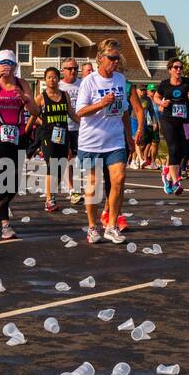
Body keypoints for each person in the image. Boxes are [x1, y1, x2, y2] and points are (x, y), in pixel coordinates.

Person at [0, 50, 39, 240]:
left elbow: (35, 111)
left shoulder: (22, 83)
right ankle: (5, 224)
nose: (6, 67)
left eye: (9, 63)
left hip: (17, 135)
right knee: (2, 179)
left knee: (15, 184)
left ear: (15, 66)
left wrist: (25, 99)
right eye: (2, 63)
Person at [75, 43, 133, 244]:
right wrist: (101, 103)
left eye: (118, 58)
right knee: (93, 185)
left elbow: (124, 110)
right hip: (91, 142)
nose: (116, 62)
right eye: (112, 58)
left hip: (115, 140)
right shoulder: (89, 82)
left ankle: (111, 225)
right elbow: (80, 112)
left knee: (119, 179)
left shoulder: (120, 79)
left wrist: (129, 136)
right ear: (100, 58)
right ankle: (92, 227)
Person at [34, 66, 77, 212]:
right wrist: (43, 123)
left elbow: (71, 113)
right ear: (45, 80)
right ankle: (49, 199)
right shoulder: (41, 97)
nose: (52, 80)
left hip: (63, 134)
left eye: (54, 77)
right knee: (52, 166)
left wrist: (85, 123)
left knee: (61, 166)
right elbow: (33, 116)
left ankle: (52, 193)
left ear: (58, 79)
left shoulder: (65, 95)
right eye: (49, 77)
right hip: (47, 136)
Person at [153, 58, 189, 195]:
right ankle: (176, 182)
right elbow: (156, 97)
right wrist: (161, 103)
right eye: (176, 67)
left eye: (181, 67)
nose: (179, 70)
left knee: (187, 149)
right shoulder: (165, 84)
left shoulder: (188, 82)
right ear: (170, 70)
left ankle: (168, 175)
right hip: (168, 120)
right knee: (173, 148)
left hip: (184, 121)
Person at [58, 58, 83, 201]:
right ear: (63, 70)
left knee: (79, 158)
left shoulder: (83, 84)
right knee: (68, 158)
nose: (73, 71)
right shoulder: (59, 86)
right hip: (63, 127)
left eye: (75, 68)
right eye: (69, 68)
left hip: (81, 127)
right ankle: (72, 188)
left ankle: (75, 185)